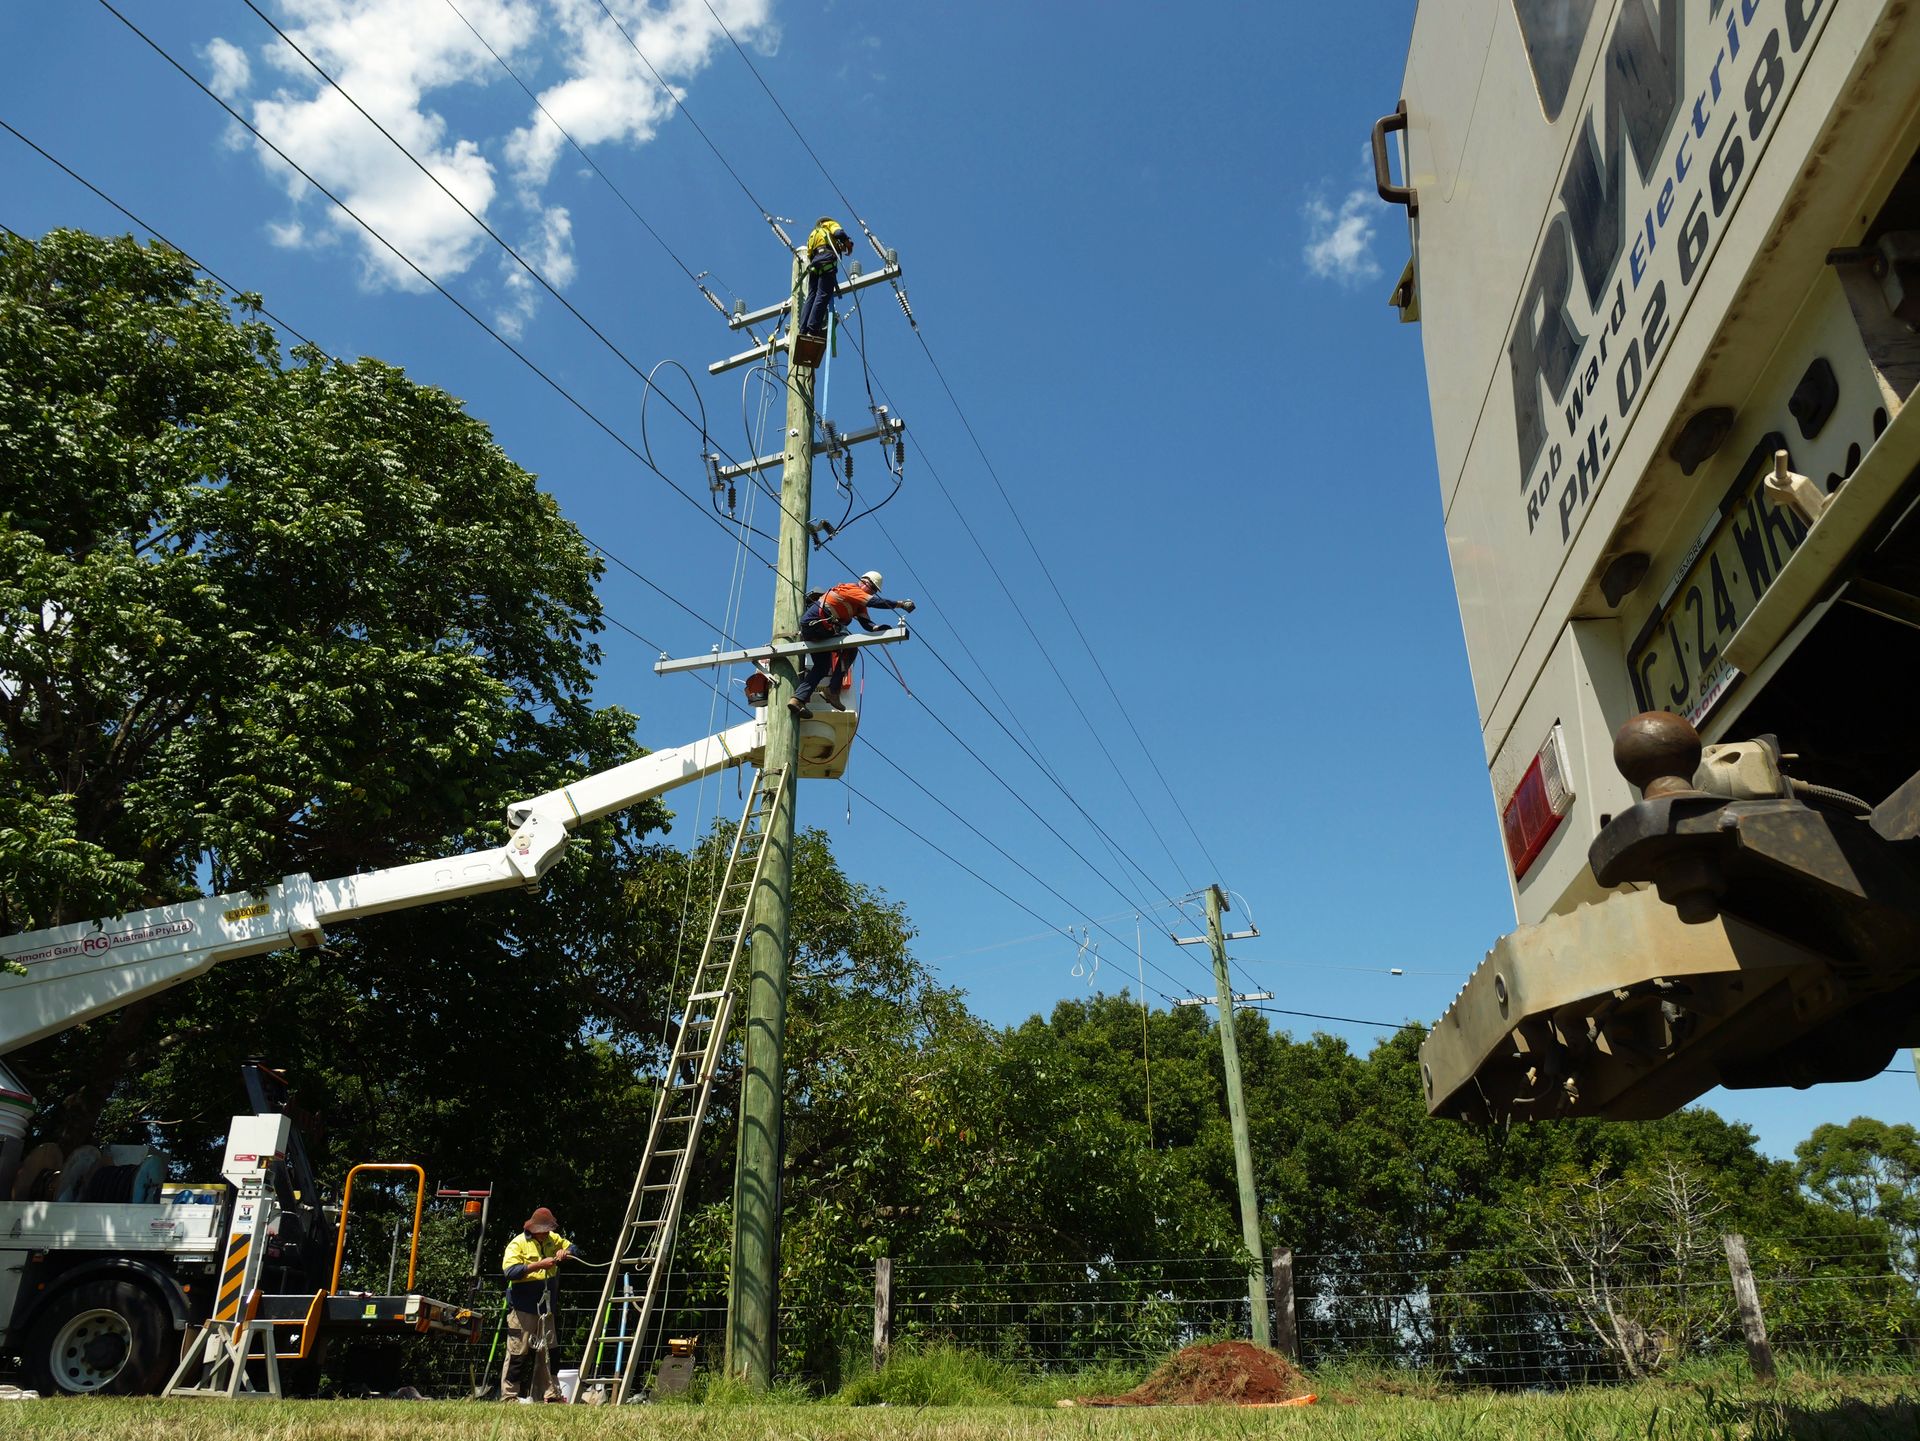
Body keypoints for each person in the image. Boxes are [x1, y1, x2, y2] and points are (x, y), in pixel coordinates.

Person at [789, 571, 914, 717]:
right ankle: (833, 690)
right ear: (863, 582)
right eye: (872, 588)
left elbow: (866, 623)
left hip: (822, 632)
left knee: (822, 667)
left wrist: (878, 629)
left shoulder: (859, 605)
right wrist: (900, 604)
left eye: (874, 590)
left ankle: (797, 700)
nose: (872, 592)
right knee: (851, 648)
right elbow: (874, 602)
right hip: (815, 625)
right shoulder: (852, 589)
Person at [500, 1206, 572, 1403]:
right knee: (518, 1353)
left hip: (547, 1309)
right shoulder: (517, 1244)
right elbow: (510, 1272)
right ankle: (509, 1396)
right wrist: (538, 1265)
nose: (548, 1234)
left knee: (550, 1353)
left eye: (549, 1230)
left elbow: (573, 1248)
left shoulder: (552, 1238)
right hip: (523, 1307)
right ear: (534, 1229)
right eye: (545, 1230)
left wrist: (565, 1252)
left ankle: (551, 1395)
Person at [799, 216, 855, 340]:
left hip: (814, 264)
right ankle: (812, 330)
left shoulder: (813, 234)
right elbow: (838, 233)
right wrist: (848, 244)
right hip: (827, 260)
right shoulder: (830, 224)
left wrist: (839, 247)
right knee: (823, 294)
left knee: (812, 296)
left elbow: (812, 253)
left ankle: (803, 330)